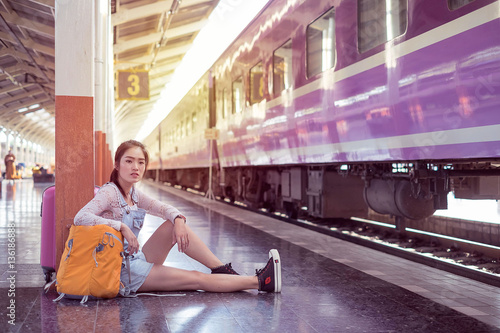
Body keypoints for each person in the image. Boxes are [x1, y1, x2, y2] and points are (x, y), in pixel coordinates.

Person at [74, 140, 281, 294]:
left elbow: (163, 208)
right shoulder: (110, 192)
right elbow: (80, 217)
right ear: (117, 165)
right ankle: (261, 281)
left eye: (140, 162)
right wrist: (121, 226)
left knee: (172, 224)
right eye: (129, 161)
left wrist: (179, 220)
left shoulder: (133, 193)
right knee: (196, 279)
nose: (135, 167)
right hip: (122, 272)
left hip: (133, 259)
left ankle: (221, 270)